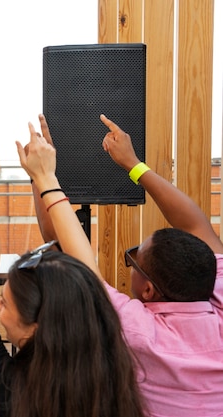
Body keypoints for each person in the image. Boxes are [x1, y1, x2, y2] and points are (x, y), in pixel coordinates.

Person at [0, 124, 146, 417]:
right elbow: (88, 275)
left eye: (6, 303)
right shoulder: (113, 379)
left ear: (37, 327)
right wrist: (45, 177)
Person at [43, 114, 222, 416]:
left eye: (135, 260)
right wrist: (133, 165)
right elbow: (196, 224)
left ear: (149, 290)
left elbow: (77, 257)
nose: (132, 262)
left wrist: (45, 176)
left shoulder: (140, 333)